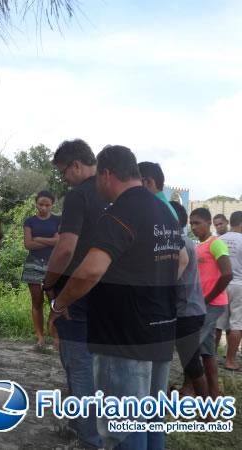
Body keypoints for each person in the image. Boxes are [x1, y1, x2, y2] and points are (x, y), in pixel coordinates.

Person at [49, 145, 187, 450]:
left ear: (108, 174)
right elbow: (182, 261)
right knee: (150, 420)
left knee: (122, 426)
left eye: (99, 177)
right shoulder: (163, 209)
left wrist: (60, 303)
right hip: (161, 329)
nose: (97, 186)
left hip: (125, 336)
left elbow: (90, 271)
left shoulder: (123, 210)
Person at [42, 139, 106, 449]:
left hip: (78, 293)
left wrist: (49, 285)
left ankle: (88, 439)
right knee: (104, 369)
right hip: (115, 294)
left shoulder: (79, 195)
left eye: (64, 172)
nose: (64, 178)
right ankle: (91, 426)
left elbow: (65, 249)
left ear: (76, 165)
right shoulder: (118, 194)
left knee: (78, 364)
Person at [188, 207, 232, 398]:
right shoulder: (198, 246)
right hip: (202, 304)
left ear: (208, 223)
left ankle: (191, 390)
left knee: (189, 348)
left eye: (197, 223)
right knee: (207, 353)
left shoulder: (215, 244)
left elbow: (227, 274)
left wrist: (208, 298)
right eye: (191, 223)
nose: (194, 227)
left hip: (212, 304)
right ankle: (213, 395)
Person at [169, 201, 209, 397]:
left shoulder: (180, 243)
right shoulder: (185, 241)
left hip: (187, 311)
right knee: (191, 360)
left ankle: (208, 414)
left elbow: (172, 277)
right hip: (191, 308)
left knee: (192, 363)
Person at [22, 190, 60, 350]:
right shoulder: (29, 221)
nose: (44, 207)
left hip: (53, 264)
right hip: (33, 264)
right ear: (36, 204)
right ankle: (40, 338)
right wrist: (50, 241)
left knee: (54, 301)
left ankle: (56, 337)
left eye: (47, 205)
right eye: (41, 204)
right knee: (36, 301)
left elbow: (59, 241)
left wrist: (38, 239)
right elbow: (28, 244)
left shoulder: (59, 219)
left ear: (52, 205)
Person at [215, 211, 242, 371]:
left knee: (217, 324)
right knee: (237, 324)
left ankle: (209, 357)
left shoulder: (219, 240)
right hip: (239, 286)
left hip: (221, 284)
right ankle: (230, 360)